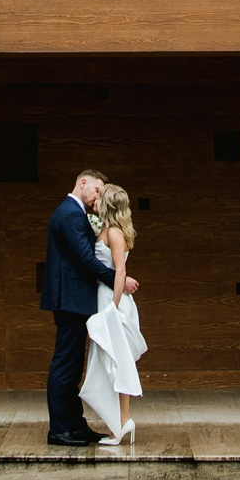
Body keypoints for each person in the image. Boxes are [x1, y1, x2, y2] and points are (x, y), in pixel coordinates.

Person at [40, 169, 130, 447]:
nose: (98, 197)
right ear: (83, 183)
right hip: (70, 300)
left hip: (74, 299)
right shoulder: (69, 214)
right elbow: (84, 260)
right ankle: (59, 429)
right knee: (66, 364)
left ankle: (75, 425)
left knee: (73, 364)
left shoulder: (74, 213)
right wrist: (119, 280)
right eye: (97, 190)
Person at [78, 183, 146, 445]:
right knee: (113, 360)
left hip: (112, 300)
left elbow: (119, 271)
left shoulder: (114, 233)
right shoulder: (108, 228)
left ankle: (123, 421)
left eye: (99, 198)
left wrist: (113, 308)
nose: (94, 201)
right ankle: (120, 421)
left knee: (116, 361)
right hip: (107, 298)